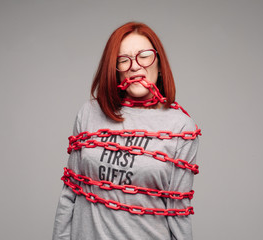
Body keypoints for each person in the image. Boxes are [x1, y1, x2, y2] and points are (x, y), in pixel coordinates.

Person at [52, 22, 201, 240]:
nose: (135, 66)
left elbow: (178, 212)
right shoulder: (89, 113)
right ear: (115, 70)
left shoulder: (180, 128)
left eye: (144, 56)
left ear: (159, 64)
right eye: (123, 60)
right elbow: (69, 195)